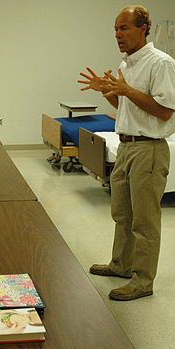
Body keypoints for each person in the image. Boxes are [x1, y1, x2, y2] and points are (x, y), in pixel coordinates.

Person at [78, 5, 175, 301]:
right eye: (115, 30)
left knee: (144, 220)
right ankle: (121, 265)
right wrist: (107, 92)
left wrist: (126, 91)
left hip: (149, 149)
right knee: (122, 213)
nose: (118, 35)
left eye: (124, 28)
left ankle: (143, 281)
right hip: (127, 146)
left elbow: (164, 111)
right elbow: (126, 109)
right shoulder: (127, 65)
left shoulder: (161, 63)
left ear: (143, 28)